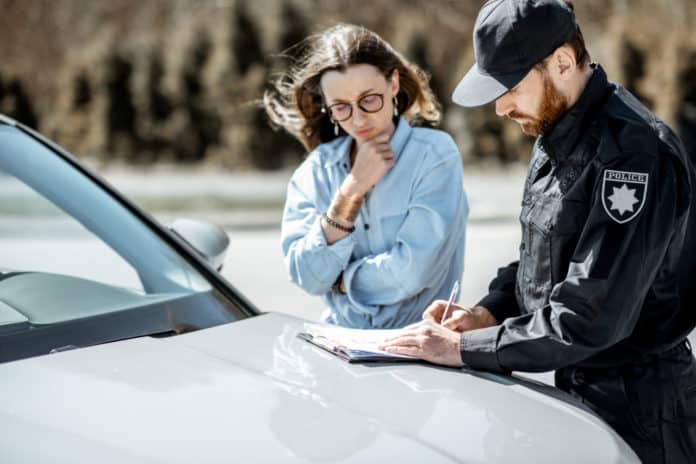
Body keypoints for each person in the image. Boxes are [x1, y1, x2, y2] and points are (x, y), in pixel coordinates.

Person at [381, 0, 696, 461]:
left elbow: (588, 315)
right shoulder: (557, 129)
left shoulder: (634, 157)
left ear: (562, 62)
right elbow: (543, 254)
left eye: (509, 86)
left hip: (641, 414)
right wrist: (487, 313)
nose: (501, 106)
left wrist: (465, 349)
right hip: (576, 392)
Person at [265, 24, 468, 329]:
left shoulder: (435, 156)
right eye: (342, 108)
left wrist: (342, 281)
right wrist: (350, 195)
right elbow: (306, 276)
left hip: (419, 349)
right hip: (337, 346)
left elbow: (412, 272)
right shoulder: (315, 170)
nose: (358, 119)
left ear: (394, 84)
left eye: (369, 99)